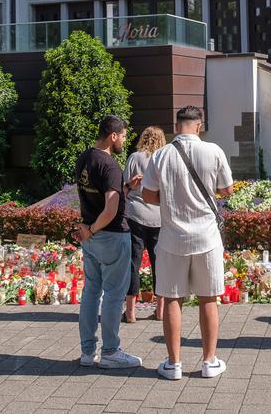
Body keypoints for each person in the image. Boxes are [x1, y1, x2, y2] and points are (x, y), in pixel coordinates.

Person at [142, 106, 233, 380]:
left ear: (177, 125)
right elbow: (226, 189)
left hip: (171, 237)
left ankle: (174, 364)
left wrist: (170, 202)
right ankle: (208, 361)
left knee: (172, 299)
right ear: (199, 125)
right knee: (208, 299)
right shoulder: (213, 151)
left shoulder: (161, 154)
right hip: (206, 236)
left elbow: (147, 195)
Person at [75, 115, 142, 369]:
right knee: (114, 295)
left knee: (91, 292)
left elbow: (103, 197)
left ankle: (87, 352)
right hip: (111, 235)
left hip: (91, 238)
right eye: (123, 135)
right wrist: (92, 229)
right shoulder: (110, 165)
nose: (124, 140)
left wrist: (125, 188)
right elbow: (111, 208)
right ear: (113, 136)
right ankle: (111, 351)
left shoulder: (85, 158)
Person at [123, 126, 166, 323]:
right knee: (160, 264)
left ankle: (130, 312)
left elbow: (125, 184)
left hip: (136, 215)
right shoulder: (165, 158)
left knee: (133, 262)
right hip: (159, 216)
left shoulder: (134, 157)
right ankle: (160, 311)